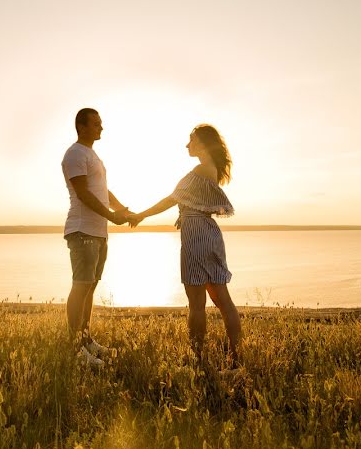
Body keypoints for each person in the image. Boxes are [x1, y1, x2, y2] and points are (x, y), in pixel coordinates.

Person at [127, 124, 242, 368]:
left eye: (191, 140)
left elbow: (170, 199)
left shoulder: (199, 170)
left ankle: (198, 357)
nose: (187, 145)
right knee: (223, 299)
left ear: (202, 143)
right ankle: (235, 355)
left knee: (197, 303)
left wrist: (141, 215)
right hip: (209, 234)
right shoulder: (211, 170)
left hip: (196, 235)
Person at [62, 107, 132, 368]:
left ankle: (86, 339)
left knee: (90, 286)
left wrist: (121, 210)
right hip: (82, 230)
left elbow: (102, 190)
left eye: (100, 124)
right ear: (81, 127)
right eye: (96, 124)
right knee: (80, 286)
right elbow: (82, 194)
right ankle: (75, 350)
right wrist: (112, 217)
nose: (101, 128)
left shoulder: (92, 155)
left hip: (99, 232)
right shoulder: (75, 154)